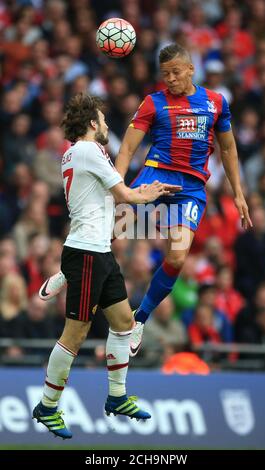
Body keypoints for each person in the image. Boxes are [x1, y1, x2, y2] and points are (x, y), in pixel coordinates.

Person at [39, 43, 252, 359]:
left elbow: (230, 150)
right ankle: (67, 273)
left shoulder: (215, 103)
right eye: (165, 74)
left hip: (190, 189)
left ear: (191, 70)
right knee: (113, 231)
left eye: (176, 73)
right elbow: (125, 150)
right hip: (155, 178)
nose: (170, 79)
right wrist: (118, 187)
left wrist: (238, 192)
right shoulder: (153, 103)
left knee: (178, 259)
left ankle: (139, 319)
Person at [32, 92, 180, 439]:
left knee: (124, 322)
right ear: (91, 124)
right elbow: (125, 195)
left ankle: (116, 397)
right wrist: (152, 192)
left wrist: (142, 193)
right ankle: (48, 405)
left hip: (96, 252)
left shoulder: (76, 154)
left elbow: (115, 197)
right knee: (76, 333)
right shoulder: (88, 150)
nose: (107, 125)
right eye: (103, 119)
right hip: (86, 253)